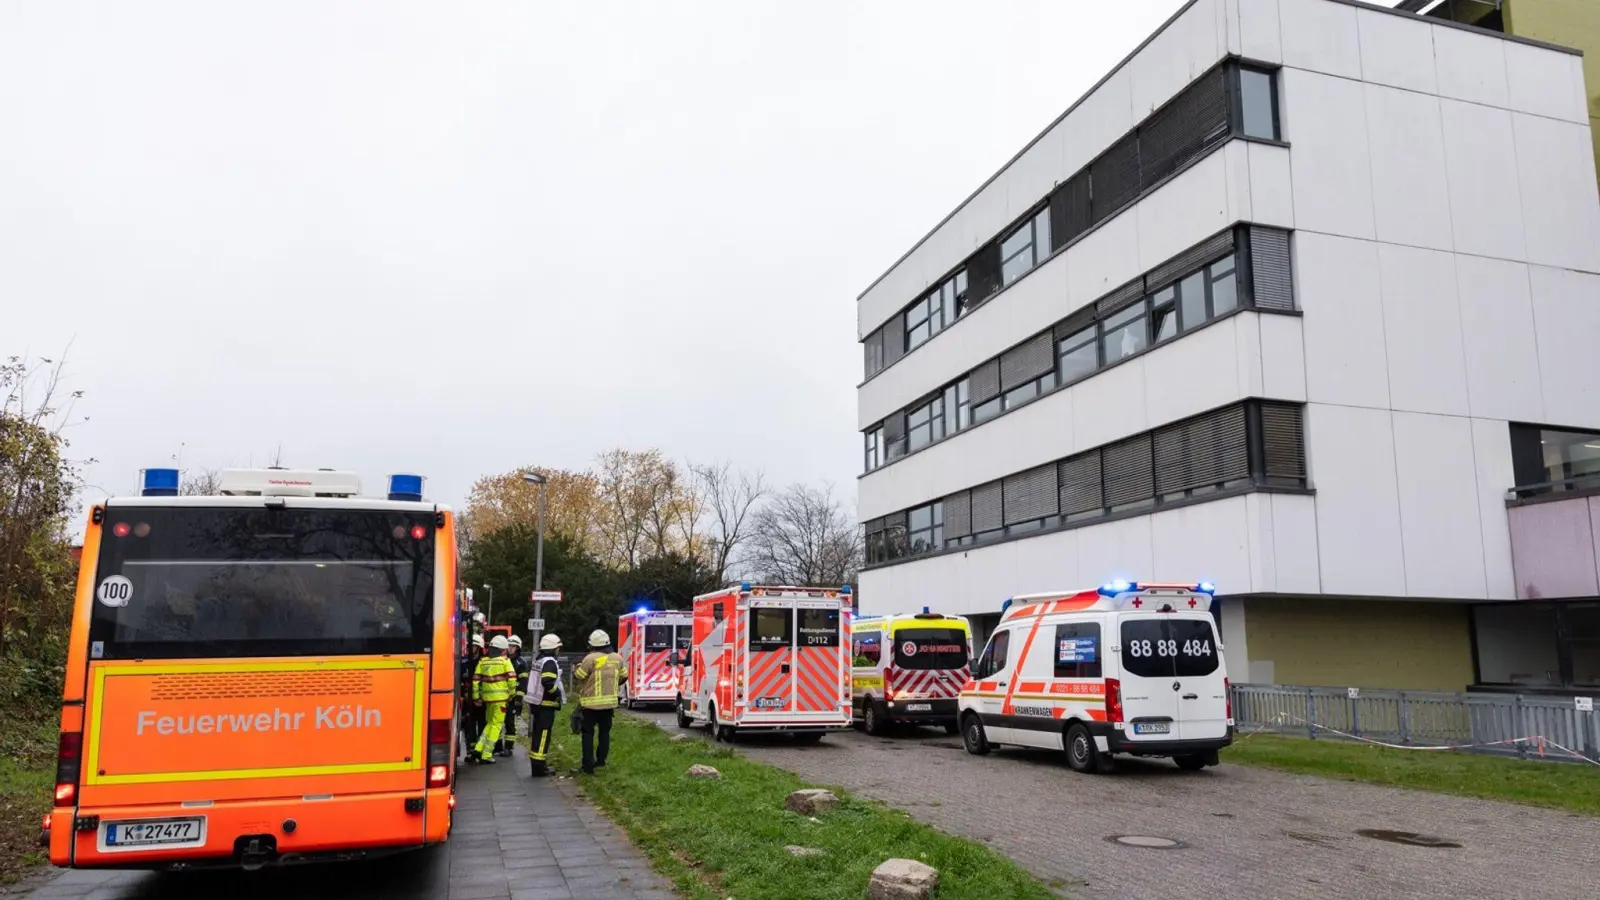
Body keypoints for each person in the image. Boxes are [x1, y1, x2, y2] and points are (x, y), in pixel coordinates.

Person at [572, 629, 623, 775]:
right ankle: (601, 761)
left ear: (592, 644)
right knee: (604, 733)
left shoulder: (590, 658)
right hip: (609, 704)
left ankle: (587, 766)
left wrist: (576, 667)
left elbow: (579, 676)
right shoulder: (617, 658)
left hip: (590, 704)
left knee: (588, 734)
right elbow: (623, 676)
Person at [471, 635, 517, 765]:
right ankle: (486, 755)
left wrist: (476, 697)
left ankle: (478, 748)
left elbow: (475, 681)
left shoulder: (483, 662)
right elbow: (512, 680)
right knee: (497, 725)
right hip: (501, 700)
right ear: (503, 650)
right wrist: (511, 694)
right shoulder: (505, 662)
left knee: (490, 724)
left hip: (487, 700)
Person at [526, 633, 565, 777]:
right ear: (553, 649)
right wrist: (557, 693)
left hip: (537, 704)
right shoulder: (549, 662)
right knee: (543, 736)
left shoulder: (539, 660)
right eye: (557, 648)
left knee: (537, 736)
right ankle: (539, 767)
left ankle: (537, 765)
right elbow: (547, 682)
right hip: (545, 705)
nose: (558, 651)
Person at [498, 635, 528, 757]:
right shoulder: (502, 660)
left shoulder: (521, 663)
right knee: (498, 723)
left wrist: (519, 698)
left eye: (513, 646)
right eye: (509, 646)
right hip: (500, 697)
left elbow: (523, 682)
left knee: (510, 723)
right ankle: (497, 746)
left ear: (518, 648)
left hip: (513, 698)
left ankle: (508, 747)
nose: (510, 648)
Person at [460, 633, 486, 762]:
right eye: (471, 645)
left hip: (482, 699)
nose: (472, 648)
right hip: (467, 699)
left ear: (479, 647)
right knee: (469, 726)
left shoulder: (485, 661)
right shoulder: (464, 661)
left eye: (475, 646)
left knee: (482, 725)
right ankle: (470, 751)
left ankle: (480, 751)